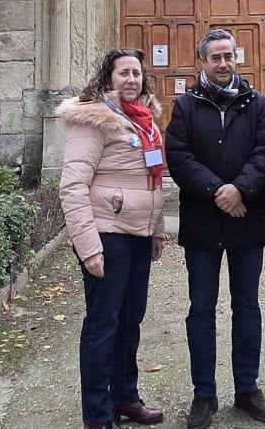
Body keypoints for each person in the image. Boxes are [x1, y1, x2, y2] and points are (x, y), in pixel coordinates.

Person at [166, 30, 265, 428]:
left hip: (246, 218)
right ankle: (204, 394)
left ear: (237, 57)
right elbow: (178, 156)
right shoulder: (186, 105)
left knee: (247, 306)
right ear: (203, 61)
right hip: (202, 221)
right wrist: (219, 190)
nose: (223, 63)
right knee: (201, 308)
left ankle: (247, 389)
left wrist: (241, 189)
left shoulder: (256, 103)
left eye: (228, 56)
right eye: (215, 57)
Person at [58, 47, 169, 429]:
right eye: (124, 73)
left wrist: (157, 230)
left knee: (130, 321)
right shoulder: (94, 119)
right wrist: (88, 247)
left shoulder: (145, 119)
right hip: (108, 235)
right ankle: (97, 414)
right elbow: (72, 186)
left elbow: (152, 181)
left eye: (136, 73)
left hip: (139, 235)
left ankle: (125, 398)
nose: (131, 80)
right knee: (103, 325)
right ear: (108, 78)